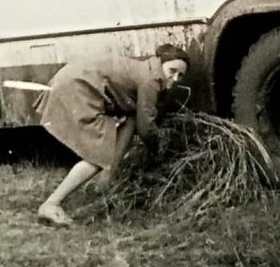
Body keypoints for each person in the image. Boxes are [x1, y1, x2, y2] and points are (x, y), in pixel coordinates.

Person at [35, 44, 190, 226]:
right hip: (77, 87)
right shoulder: (152, 80)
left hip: (73, 80)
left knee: (121, 130)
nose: (175, 78)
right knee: (98, 154)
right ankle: (51, 204)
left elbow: (134, 120)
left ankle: (106, 184)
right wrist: (161, 151)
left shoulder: (147, 68)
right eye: (172, 70)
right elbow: (146, 127)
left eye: (180, 75)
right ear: (161, 63)